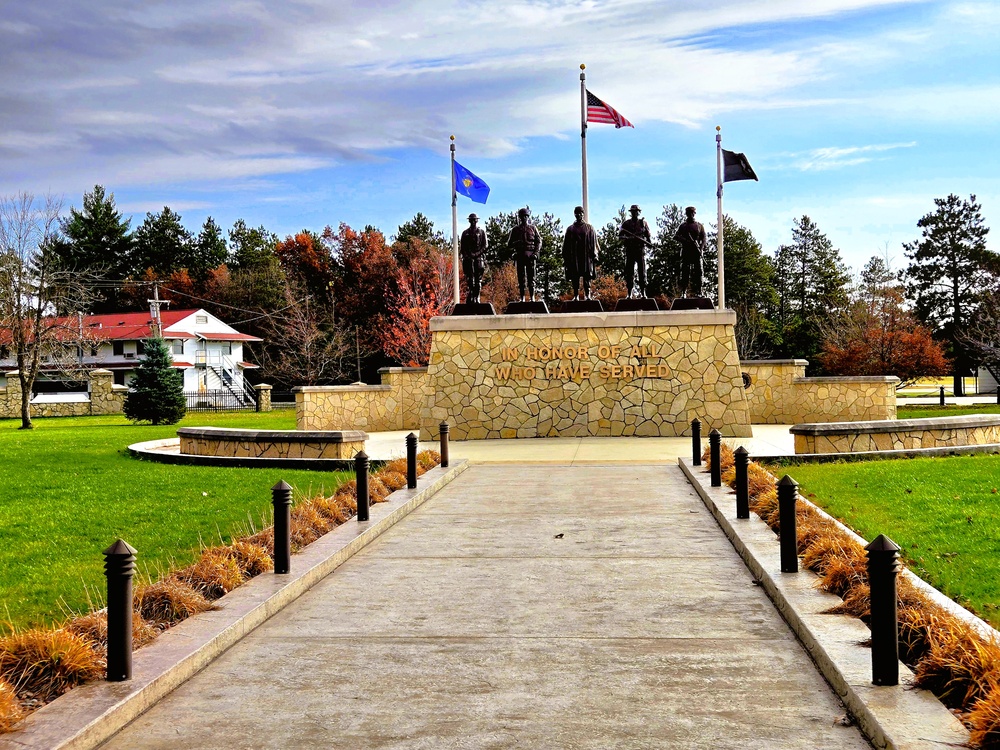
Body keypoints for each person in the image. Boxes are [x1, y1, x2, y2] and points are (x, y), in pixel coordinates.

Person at [562, 206, 599, 300]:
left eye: (580, 213)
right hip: (574, 256)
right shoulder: (570, 229)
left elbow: (594, 243)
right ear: (574, 214)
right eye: (577, 213)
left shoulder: (589, 228)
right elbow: (566, 245)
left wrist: (595, 255)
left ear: (583, 214)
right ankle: (576, 295)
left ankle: (587, 295)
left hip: (586, 256)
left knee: (587, 277)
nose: (579, 215)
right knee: (575, 276)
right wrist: (565, 258)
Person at [507, 208, 541, 302]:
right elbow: (509, 244)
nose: (524, 218)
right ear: (520, 217)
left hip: (530, 255)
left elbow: (538, 241)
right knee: (521, 278)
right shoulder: (515, 230)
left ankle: (532, 297)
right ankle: (522, 297)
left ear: (528, 217)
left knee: (531, 277)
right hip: (520, 255)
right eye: (522, 216)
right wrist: (516, 246)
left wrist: (535, 253)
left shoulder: (533, 228)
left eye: (526, 216)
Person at [674, 206, 707, 298]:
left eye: (692, 213)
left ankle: (700, 291)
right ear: (686, 214)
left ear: (694, 214)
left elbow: (704, 238)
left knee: (699, 272)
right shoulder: (683, 226)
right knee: (685, 272)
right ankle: (684, 292)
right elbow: (676, 236)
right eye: (689, 213)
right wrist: (685, 241)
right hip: (686, 252)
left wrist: (701, 248)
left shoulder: (699, 226)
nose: (691, 214)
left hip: (696, 252)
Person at [619, 204, 651, 298]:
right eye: (633, 212)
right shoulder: (626, 223)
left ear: (639, 212)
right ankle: (629, 292)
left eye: (636, 211)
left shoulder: (643, 223)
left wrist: (649, 243)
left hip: (640, 250)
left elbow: (648, 236)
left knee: (642, 271)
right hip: (630, 250)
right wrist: (628, 238)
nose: (634, 213)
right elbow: (620, 236)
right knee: (629, 272)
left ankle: (643, 292)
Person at [459, 213, 487, 303]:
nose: (473, 221)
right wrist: (467, 255)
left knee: (478, 279)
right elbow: (462, 247)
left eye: (474, 220)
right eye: (471, 220)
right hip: (468, 259)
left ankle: (477, 297)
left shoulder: (481, 232)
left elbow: (485, 245)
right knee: (470, 279)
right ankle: (471, 295)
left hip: (478, 258)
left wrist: (477, 254)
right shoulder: (465, 233)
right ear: (469, 221)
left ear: (477, 220)